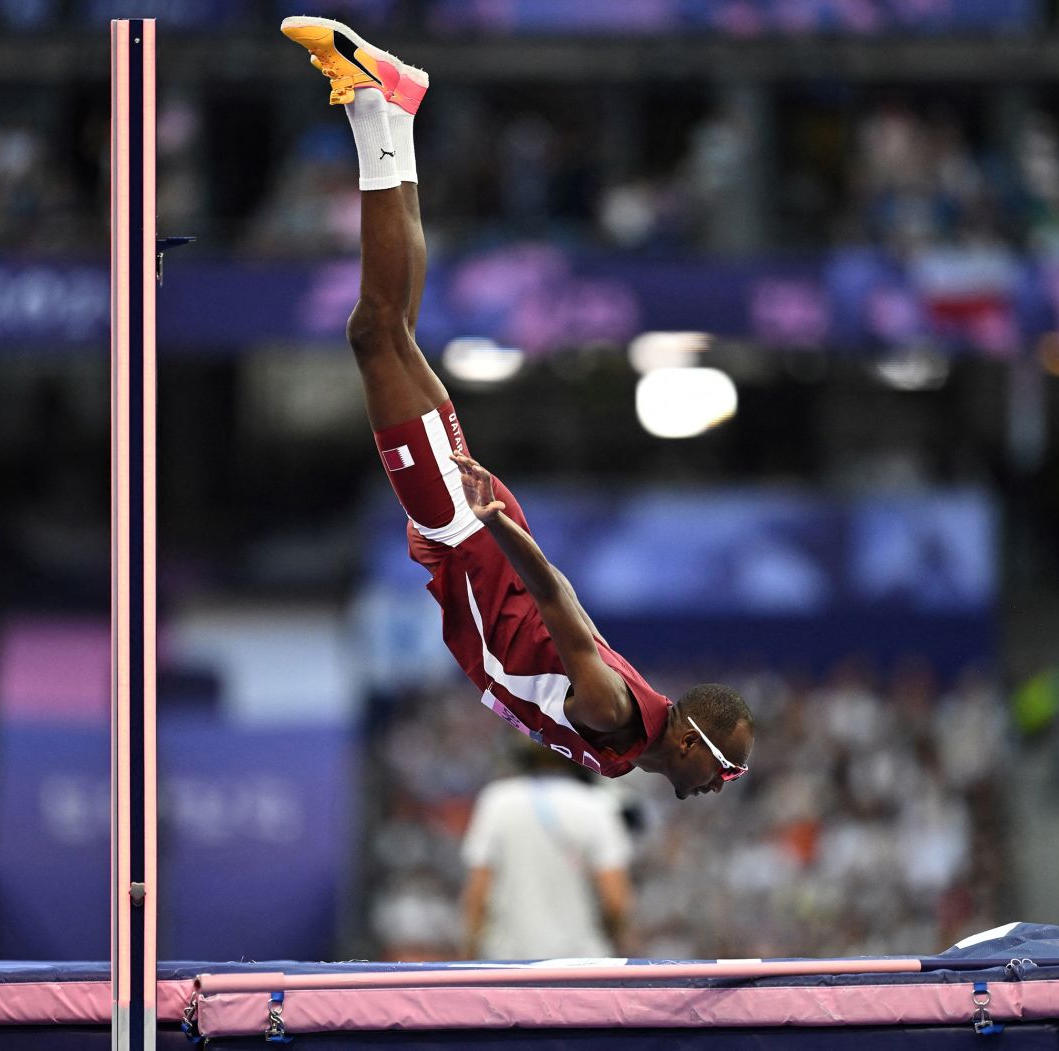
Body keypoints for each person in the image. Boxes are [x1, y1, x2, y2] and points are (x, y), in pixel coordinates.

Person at [280, 16, 755, 799]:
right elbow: (559, 605)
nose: (723, 782)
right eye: (726, 766)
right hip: (472, 534)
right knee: (374, 333)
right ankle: (373, 111)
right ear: (692, 743)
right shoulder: (613, 714)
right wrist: (496, 525)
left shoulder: (628, 741)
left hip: (474, 545)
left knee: (393, 335)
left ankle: (392, 109)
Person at [460, 746, 633, 960]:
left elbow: (477, 893)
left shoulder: (497, 801)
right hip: (581, 964)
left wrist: (469, 953)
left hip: (509, 964)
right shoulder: (596, 806)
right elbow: (615, 902)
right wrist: (618, 943)